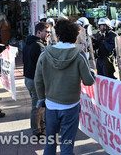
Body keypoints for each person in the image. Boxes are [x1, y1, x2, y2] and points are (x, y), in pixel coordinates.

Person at [34, 18, 96, 154]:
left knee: (50, 143)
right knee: (67, 144)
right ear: (75, 36)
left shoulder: (45, 53)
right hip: (71, 106)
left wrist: (41, 98)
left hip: (50, 104)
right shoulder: (79, 55)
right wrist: (93, 74)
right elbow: (88, 81)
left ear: (58, 35)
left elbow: (38, 80)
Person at [23, 22, 51, 137]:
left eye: (49, 32)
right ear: (39, 32)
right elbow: (44, 65)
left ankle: (41, 127)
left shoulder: (29, 43)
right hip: (36, 80)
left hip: (30, 79)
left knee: (39, 106)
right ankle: (37, 131)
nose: (48, 34)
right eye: (47, 31)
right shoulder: (38, 46)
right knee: (38, 107)